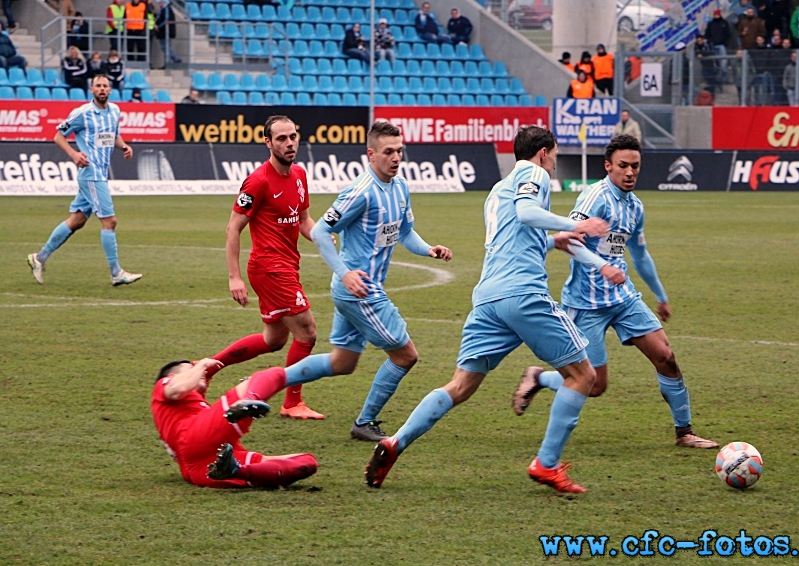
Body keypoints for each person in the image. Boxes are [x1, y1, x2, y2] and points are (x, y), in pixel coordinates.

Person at [363, 126, 618, 493]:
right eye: (555, 156)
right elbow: (528, 213)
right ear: (544, 153)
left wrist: (552, 240)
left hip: (488, 297)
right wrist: (576, 224)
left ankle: (395, 442)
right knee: (584, 376)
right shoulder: (534, 173)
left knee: (460, 385)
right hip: (523, 293)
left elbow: (513, 236)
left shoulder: (497, 190)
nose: (555, 162)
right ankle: (546, 465)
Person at [516, 134, 719, 452]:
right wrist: (601, 267)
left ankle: (685, 432)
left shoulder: (635, 207)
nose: (629, 172)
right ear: (608, 166)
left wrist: (660, 294)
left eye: (635, 166)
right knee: (594, 385)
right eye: (623, 165)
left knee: (666, 358)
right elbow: (571, 239)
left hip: (623, 298)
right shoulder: (594, 197)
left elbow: (639, 254)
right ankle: (539, 378)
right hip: (586, 303)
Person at [266, 121, 453, 442]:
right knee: (406, 355)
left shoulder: (401, 187)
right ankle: (365, 422)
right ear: (371, 154)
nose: (396, 158)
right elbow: (322, 231)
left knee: (342, 362)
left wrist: (428, 249)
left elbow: (405, 233)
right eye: (388, 152)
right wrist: (345, 273)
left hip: (360, 291)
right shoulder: (361, 192)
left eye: (399, 151)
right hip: (360, 292)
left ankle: (261, 384)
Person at [217, 116, 324, 420]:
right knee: (307, 333)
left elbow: (304, 221)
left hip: (288, 265)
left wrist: (325, 238)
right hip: (269, 268)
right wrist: (234, 276)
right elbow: (233, 228)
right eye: (281, 139)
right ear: (268, 142)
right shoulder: (258, 181)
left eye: (293, 137)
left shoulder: (300, 176)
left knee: (274, 340)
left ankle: (209, 366)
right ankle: (292, 402)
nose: (289, 143)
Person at [27, 74, 141, 287]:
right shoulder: (83, 113)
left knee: (77, 220)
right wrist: (74, 154)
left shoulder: (115, 111)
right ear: (91, 90)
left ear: (110, 89)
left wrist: (124, 146)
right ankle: (116, 273)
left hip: (100, 173)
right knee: (110, 221)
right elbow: (58, 136)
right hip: (91, 174)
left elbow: (112, 136)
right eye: (98, 86)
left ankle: (39, 258)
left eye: (105, 86)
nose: (102, 89)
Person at [151, 359, 318, 489]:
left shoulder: (188, 408)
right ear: (171, 376)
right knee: (272, 375)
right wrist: (201, 365)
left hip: (204, 468)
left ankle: (235, 470)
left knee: (307, 462)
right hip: (193, 438)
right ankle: (249, 399)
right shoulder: (164, 385)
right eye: (190, 368)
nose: (200, 371)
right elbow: (179, 387)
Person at [705, 10, 732, 82]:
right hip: (713, 47)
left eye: (717, 15)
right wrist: (710, 43)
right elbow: (707, 35)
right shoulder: (710, 24)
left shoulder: (724, 23)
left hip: (721, 46)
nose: (716, 16)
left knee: (723, 64)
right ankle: (715, 79)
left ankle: (724, 78)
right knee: (714, 64)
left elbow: (728, 34)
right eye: (715, 15)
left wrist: (725, 43)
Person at [154, 0, 181, 68]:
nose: (159, 4)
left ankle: (176, 59)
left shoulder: (166, 9)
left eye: (160, 2)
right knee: (165, 48)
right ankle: (167, 63)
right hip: (163, 32)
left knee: (166, 47)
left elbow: (166, 20)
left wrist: (159, 26)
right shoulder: (163, 9)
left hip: (166, 32)